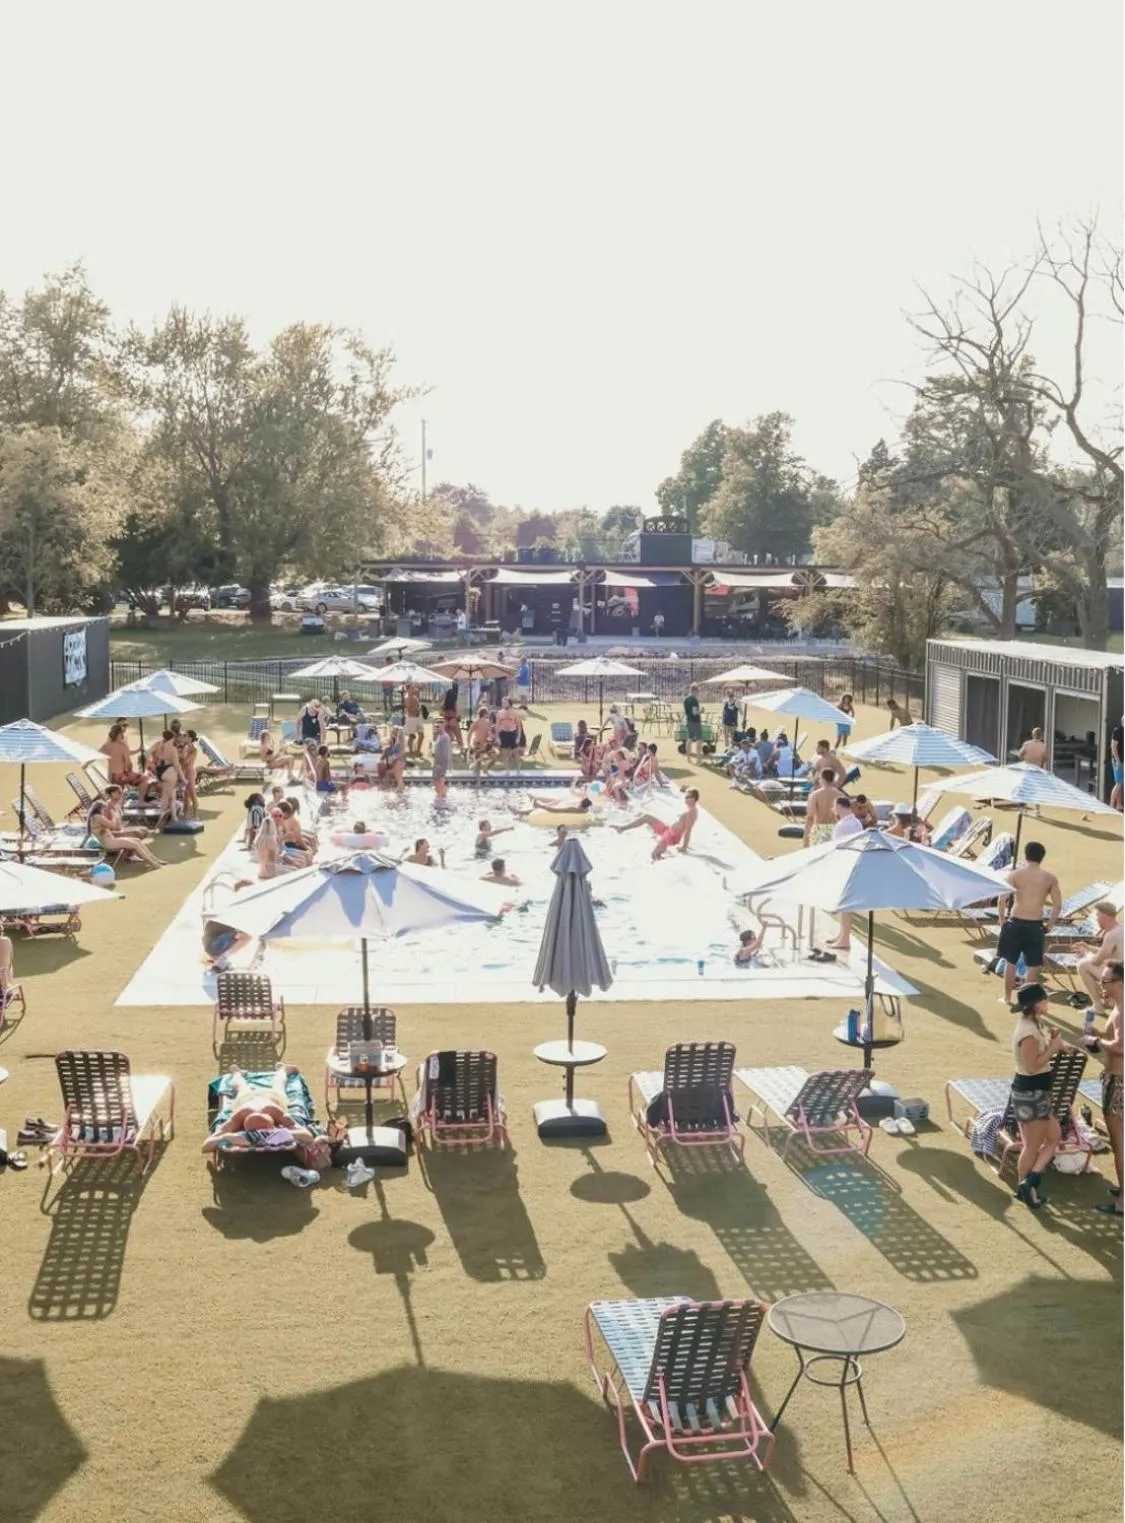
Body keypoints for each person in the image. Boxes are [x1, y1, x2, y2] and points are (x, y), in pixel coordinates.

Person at [1009, 984, 1066, 1210]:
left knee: (1053, 1137)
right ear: (1035, 1004)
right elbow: (1032, 1066)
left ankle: (1027, 1184)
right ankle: (1028, 1186)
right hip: (1031, 1093)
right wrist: (1053, 1049)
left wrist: (1059, 1046)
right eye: (1044, 999)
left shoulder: (1034, 1024)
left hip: (1034, 1093)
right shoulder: (1028, 1032)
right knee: (1033, 1145)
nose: (1047, 1003)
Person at [997, 842, 1061, 1006]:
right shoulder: (1050, 878)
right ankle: (1027, 1001)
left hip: (1016, 921)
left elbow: (1002, 898)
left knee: (1010, 962)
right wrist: (1050, 925)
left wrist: (1002, 919)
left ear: (1026, 855)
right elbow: (1057, 905)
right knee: (1032, 965)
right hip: (1035, 924)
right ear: (1042, 857)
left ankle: (1007, 997)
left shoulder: (1015, 874)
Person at [1087, 962, 1124, 1215]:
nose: (1101, 985)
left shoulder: (1122, 1012)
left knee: (1120, 1144)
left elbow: (1121, 1047)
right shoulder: (1117, 1009)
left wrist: (1096, 1040)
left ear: (1120, 983)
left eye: (1105, 981)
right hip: (1116, 1079)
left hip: (1119, 1082)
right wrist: (1098, 1033)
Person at [613, 788, 699, 861]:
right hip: (667, 830)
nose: (685, 799)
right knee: (646, 817)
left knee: (654, 855)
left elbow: (688, 831)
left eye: (688, 797)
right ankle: (623, 828)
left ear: (694, 798)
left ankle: (663, 862)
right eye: (685, 797)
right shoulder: (690, 810)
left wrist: (684, 847)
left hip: (671, 837)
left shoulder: (692, 812)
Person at [1074, 903, 1124, 1014]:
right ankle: (1109, 1000)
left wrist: (1086, 954)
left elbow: (1097, 961)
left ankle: (1098, 1006)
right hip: (1120, 972)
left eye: (1097, 916)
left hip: (1120, 978)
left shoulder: (1111, 935)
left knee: (1082, 965)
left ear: (1104, 916)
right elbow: (1108, 953)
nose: (1096, 919)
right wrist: (1088, 948)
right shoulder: (1121, 929)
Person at [87, 797, 164, 866]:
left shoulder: (95, 817)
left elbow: (116, 827)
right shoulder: (97, 817)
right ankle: (154, 863)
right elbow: (113, 826)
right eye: (103, 809)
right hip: (110, 842)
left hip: (111, 840)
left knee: (137, 840)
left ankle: (156, 860)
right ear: (99, 808)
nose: (104, 811)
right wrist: (114, 815)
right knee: (135, 845)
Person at [803, 768, 844, 846]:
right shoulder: (841, 795)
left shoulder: (815, 795)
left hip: (819, 829)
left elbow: (810, 817)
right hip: (835, 829)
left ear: (822, 779)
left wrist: (806, 837)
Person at [495, 697, 522, 762]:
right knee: (504, 753)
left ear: (509, 703)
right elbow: (497, 726)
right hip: (503, 733)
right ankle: (507, 770)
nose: (503, 704)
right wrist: (497, 737)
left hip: (512, 733)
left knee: (515, 753)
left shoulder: (515, 713)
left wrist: (518, 737)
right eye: (502, 703)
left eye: (505, 703)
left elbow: (519, 726)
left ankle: (517, 769)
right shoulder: (499, 713)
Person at [432, 721, 453, 799]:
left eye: (439, 725)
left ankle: (442, 800)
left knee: (439, 784)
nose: (437, 727)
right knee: (437, 784)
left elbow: (445, 754)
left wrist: (441, 766)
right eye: (436, 726)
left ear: (444, 725)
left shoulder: (445, 737)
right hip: (438, 764)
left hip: (441, 765)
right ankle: (441, 798)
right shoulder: (439, 736)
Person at [683, 684, 703, 764]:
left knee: (689, 739)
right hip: (695, 721)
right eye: (698, 691)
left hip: (689, 720)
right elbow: (695, 712)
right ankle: (698, 759)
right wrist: (701, 711)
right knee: (699, 740)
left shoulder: (685, 699)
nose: (698, 693)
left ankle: (688, 758)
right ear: (694, 691)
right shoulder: (694, 700)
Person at [403, 685, 424, 758]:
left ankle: (417, 750)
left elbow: (417, 706)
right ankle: (411, 751)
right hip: (411, 718)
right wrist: (416, 709)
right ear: (408, 689)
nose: (413, 689)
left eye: (413, 688)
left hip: (417, 717)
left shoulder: (415, 697)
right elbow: (408, 709)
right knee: (411, 736)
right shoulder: (407, 698)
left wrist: (419, 708)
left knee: (421, 735)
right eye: (412, 688)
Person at [1112, 715, 1123, 812]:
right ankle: (1111, 806)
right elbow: (1113, 747)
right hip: (1118, 762)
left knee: (1120, 783)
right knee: (1119, 783)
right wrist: (1118, 761)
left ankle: (1119, 805)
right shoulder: (1118, 731)